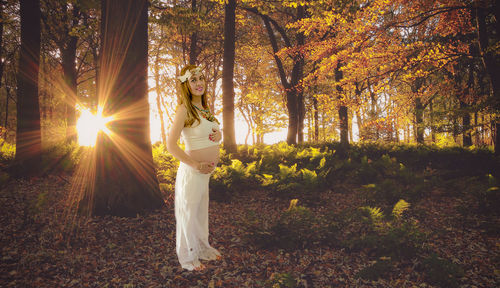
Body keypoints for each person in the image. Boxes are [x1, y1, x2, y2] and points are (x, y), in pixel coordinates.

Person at [166, 65, 222, 271]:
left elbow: (211, 132)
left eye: (201, 78)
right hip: (193, 172)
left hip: (205, 175)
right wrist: (196, 164)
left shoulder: (205, 110)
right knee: (188, 213)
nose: (199, 83)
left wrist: (219, 135)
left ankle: (202, 248)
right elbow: (170, 145)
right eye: (193, 80)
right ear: (186, 85)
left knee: (200, 212)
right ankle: (188, 258)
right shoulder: (184, 109)